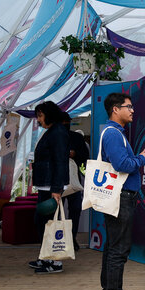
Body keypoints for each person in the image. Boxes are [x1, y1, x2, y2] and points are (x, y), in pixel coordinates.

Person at [99, 93, 145, 290]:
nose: (132, 110)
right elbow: (121, 164)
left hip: (119, 196)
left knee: (113, 246)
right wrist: (141, 159)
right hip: (121, 197)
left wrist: (138, 157)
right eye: (128, 107)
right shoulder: (113, 134)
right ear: (115, 109)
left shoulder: (115, 133)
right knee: (118, 249)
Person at [29, 101, 69, 274]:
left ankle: (55, 262)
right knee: (43, 222)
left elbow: (60, 160)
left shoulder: (58, 132)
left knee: (49, 223)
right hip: (46, 184)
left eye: (40, 115)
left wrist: (56, 188)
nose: (38, 120)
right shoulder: (52, 131)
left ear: (49, 114)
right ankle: (45, 257)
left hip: (51, 186)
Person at [61, 112, 89, 251]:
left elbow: (85, 156)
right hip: (57, 181)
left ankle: (71, 238)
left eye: (67, 122)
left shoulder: (77, 137)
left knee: (75, 209)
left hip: (73, 179)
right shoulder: (53, 137)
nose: (66, 124)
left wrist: (75, 154)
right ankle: (58, 239)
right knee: (57, 212)